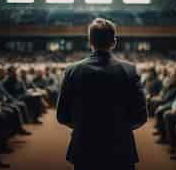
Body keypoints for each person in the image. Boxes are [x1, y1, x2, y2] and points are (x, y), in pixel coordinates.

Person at [57, 18, 147, 170]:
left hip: (85, 146)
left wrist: (86, 127)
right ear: (114, 42)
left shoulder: (72, 70)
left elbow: (62, 116)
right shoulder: (129, 70)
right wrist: (118, 129)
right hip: (120, 147)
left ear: (90, 41)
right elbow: (141, 116)